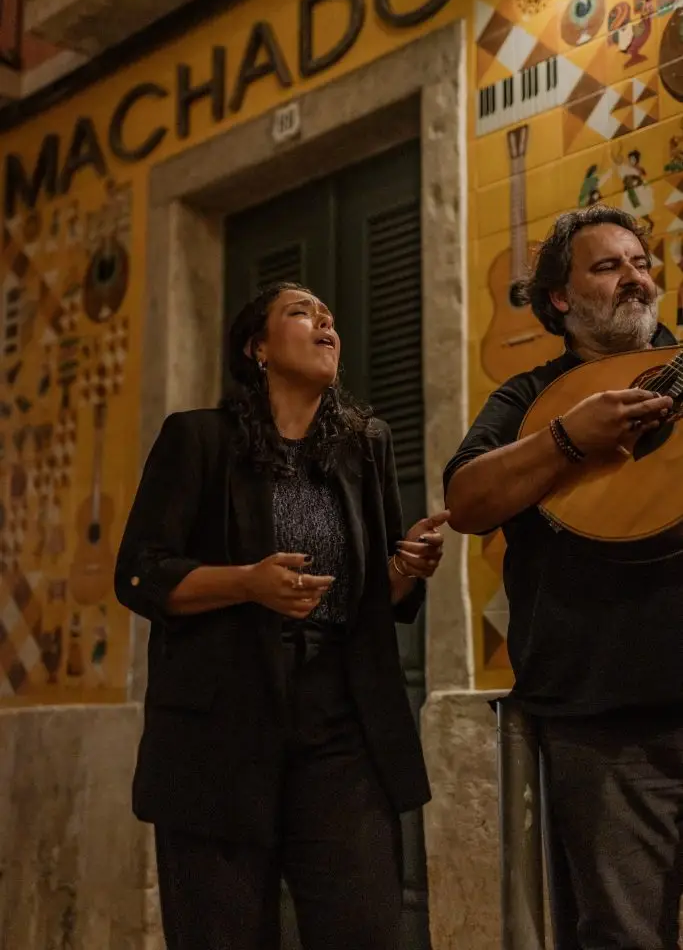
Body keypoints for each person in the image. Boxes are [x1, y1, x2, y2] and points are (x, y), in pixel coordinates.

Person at [115, 281, 449, 950]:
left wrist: (406, 567)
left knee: (364, 929)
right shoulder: (198, 439)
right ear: (257, 347)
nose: (325, 323)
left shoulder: (365, 445)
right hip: (220, 730)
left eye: (329, 317)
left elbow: (370, 602)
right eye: (301, 313)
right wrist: (247, 583)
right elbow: (140, 575)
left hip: (342, 724)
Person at [444, 204, 683, 949]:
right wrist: (565, 439)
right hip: (601, 716)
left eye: (639, 263)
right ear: (559, 298)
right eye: (607, 267)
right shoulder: (524, 400)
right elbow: (466, 501)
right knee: (623, 932)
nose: (633, 279)